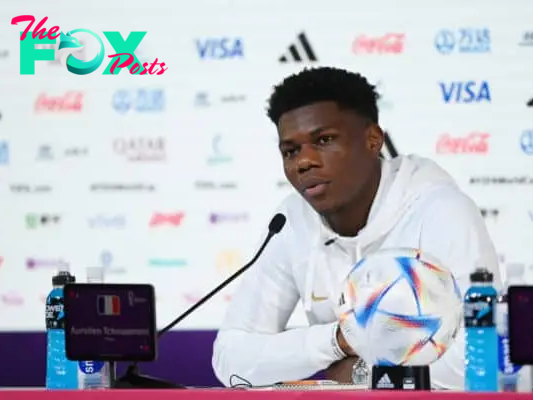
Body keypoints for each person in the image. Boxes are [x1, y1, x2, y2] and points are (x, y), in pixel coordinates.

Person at [211, 67, 501, 389]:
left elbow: (478, 362)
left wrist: (361, 373)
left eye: (323, 140)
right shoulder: (292, 221)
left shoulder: (440, 210)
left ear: (373, 140)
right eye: (290, 151)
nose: (303, 162)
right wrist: (339, 339)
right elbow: (231, 358)